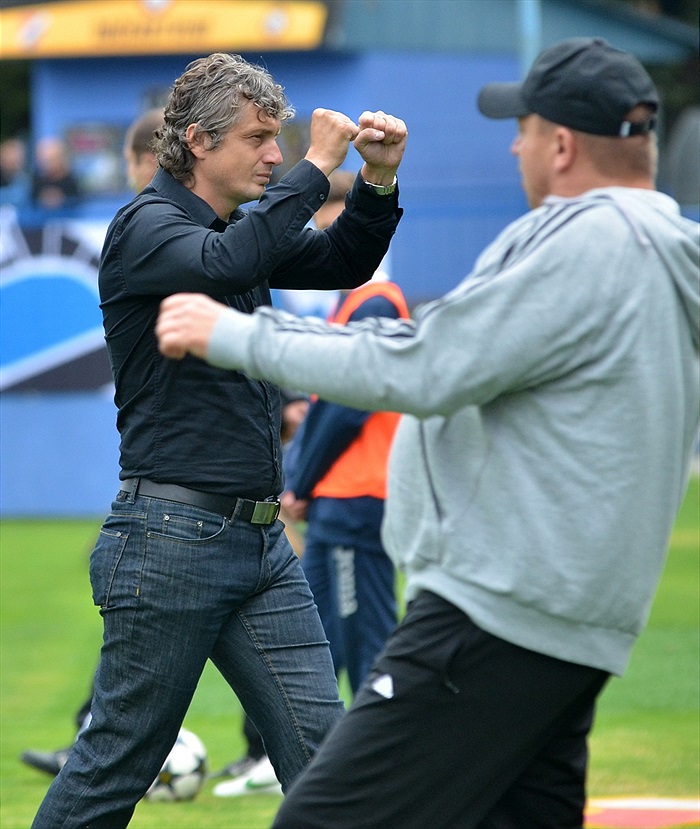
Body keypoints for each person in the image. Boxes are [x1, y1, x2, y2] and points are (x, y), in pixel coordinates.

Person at [155, 38, 700, 829]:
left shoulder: (594, 240)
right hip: (581, 616)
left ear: (561, 145)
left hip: (497, 609)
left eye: (524, 127)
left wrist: (234, 334)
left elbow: (427, 364)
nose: (514, 144)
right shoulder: (664, 247)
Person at [30, 51, 406, 829]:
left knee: (323, 752)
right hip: (171, 540)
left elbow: (346, 258)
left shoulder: (241, 229)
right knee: (115, 766)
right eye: (260, 139)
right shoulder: (146, 226)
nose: (275, 154)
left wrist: (374, 181)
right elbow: (224, 261)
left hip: (259, 544)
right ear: (199, 141)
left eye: (281, 139)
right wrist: (316, 168)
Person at [212, 172, 407, 798]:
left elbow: (348, 404)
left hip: (356, 496)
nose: (312, 229)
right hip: (338, 499)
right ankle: (286, 759)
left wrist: (302, 475)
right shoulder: (354, 302)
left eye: (321, 213)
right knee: (309, 642)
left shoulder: (374, 300)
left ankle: (394, 768)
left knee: (366, 641)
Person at [31, 136, 80, 209]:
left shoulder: (71, 183)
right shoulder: (36, 181)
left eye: (51, 160)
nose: (46, 164)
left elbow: (76, 206)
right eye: (43, 160)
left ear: (60, 159)